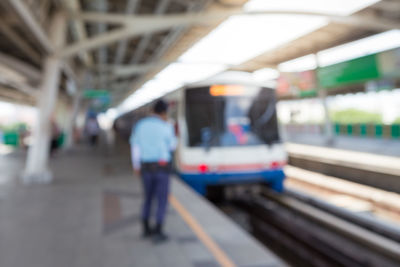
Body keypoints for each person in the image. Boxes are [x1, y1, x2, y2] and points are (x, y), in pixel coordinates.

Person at [130, 99, 176, 243]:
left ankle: (145, 229)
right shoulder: (166, 126)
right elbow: (172, 146)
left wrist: (136, 166)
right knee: (161, 200)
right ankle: (158, 230)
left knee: (148, 198)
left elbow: (135, 147)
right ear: (164, 112)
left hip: (145, 167)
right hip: (162, 168)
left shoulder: (140, 125)